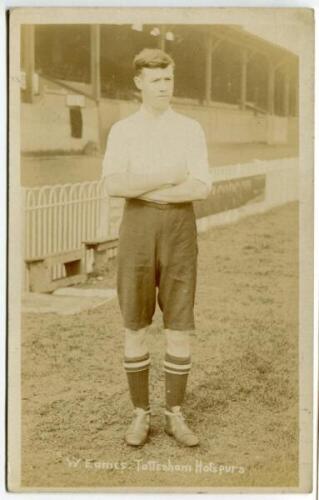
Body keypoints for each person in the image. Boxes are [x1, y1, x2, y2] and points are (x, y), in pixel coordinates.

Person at [102, 48, 211, 447]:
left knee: (180, 322)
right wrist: (167, 176)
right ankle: (140, 414)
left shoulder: (190, 128)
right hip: (137, 227)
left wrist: (146, 185)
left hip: (180, 228)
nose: (164, 87)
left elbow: (200, 185)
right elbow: (114, 184)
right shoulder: (124, 130)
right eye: (155, 81)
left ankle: (174, 415)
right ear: (139, 83)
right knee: (135, 322)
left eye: (168, 79)